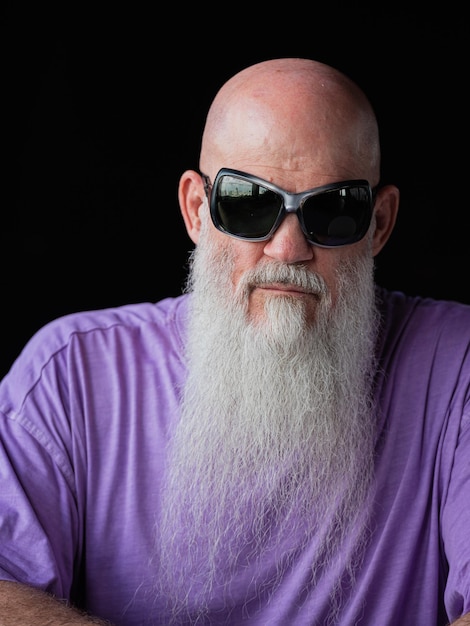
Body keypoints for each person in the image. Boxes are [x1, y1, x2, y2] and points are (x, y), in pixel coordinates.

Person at [0, 57, 469, 626]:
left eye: (333, 210)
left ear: (379, 224)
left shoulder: (457, 366)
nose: (288, 249)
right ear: (198, 211)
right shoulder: (70, 376)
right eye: (250, 204)